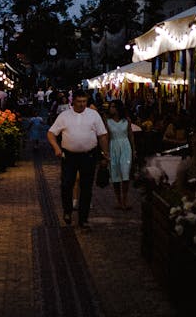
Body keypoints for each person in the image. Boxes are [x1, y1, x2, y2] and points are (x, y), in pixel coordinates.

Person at [47, 90, 109, 230]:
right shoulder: (64, 116)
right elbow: (51, 133)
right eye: (79, 101)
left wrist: (105, 153)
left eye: (84, 101)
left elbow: (102, 135)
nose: (82, 104)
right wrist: (56, 148)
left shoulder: (93, 115)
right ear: (73, 101)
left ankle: (83, 218)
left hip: (89, 155)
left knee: (86, 187)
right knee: (66, 184)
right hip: (69, 156)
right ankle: (67, 210)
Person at [106, 99, 135, 210]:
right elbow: (107, 137)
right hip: (113, 147)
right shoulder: (108, 121)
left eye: (113, 106)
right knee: (115, 175)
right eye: (111, 107)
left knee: (125, 173)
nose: (111, 109)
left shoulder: (126, 120)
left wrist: (134, 149)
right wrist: (105, 152)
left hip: (125, 147)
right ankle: (118, 200)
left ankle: (125, 199)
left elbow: (131, 135)